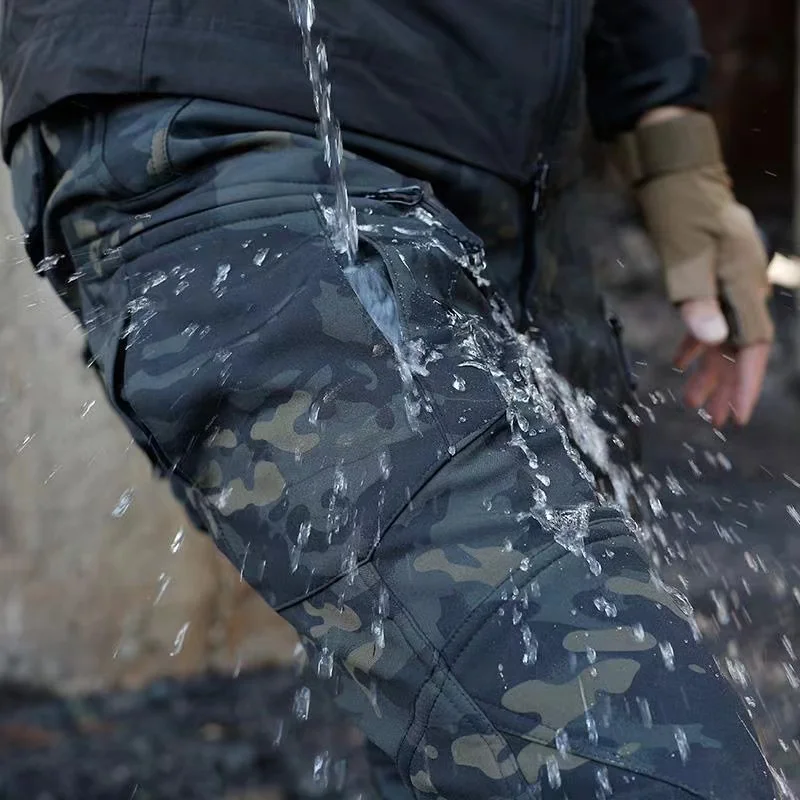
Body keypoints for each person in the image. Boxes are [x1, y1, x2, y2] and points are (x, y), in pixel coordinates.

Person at [1, 1, 778, 798]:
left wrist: (672, 137)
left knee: (486, 732)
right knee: (640, 748)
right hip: (234, 118)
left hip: (511, 167)